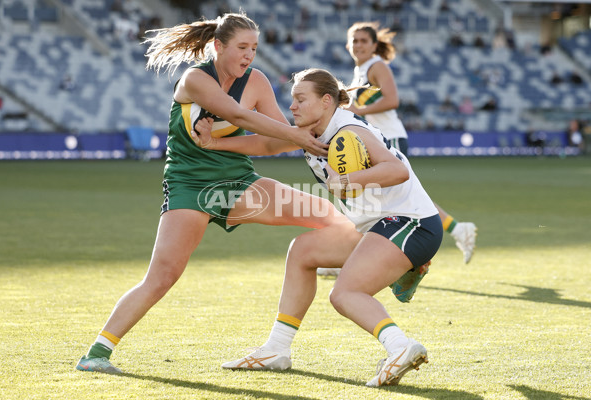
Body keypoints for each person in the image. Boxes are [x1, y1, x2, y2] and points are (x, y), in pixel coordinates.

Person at [75, 12, 348, 375]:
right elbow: (241, 116)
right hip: (190, 187)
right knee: (163, 276)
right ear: (218, 46)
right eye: (241, 47)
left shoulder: (257, 81)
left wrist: (306, 131)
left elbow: (272, 143)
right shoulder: (195, 79)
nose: (249, 55)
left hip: (236, 183)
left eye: (254, 48)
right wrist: (297, 135)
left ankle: (393, 264)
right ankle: (96, 354)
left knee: (333, 218)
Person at [192, 68, 443, 387]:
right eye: (292, 99)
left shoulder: (348, 130)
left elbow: (396, 170)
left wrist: (349, 180)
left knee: (345, 293)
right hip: (380, 224)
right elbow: (269, 147)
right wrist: (213, 143)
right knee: (303, 251)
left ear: (326, 101)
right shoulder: (313, 132)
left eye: (300, 99)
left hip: (410, 223)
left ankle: (401, 347)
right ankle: (277, 349)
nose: (292, 106)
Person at [329, 21, 476, 276]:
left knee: (381, 199)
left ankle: (349, 258)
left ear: (374, 45)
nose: (358, 45)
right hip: (376, 140)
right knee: (383, 199)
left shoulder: (376, 66)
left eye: (364, 40)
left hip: (390, 139)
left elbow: (392, 99)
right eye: (354, 40)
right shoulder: (361, 71)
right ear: (347, 45)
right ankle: (455, 230)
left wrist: (359, 111)